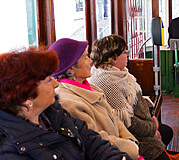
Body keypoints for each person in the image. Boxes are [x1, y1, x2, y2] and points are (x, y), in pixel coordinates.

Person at [0, 47, 130, 160]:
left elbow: (92, 142)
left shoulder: (53, 113)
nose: (56, 83)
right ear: (27, 95)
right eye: (48, 80)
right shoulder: (9, 149)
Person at [49, 38, 140, 160]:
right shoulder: (68, 102)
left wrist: (129, 139)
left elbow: (114, 118)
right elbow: (95, 139)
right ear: (71, 68)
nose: (91, 61)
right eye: (86, 57)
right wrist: (130, 147)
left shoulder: (90, 87)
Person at [89, 35, 174, 160]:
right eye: (125, 52)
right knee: (160, 147)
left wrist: (152, 116)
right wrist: (152, 129)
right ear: (114, 58)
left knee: (166, 131)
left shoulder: (120, 74)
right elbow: (126, 122)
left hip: (142, 123)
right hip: (130, 135)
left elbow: (138, 100)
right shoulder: (109, 83)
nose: (128, 55)